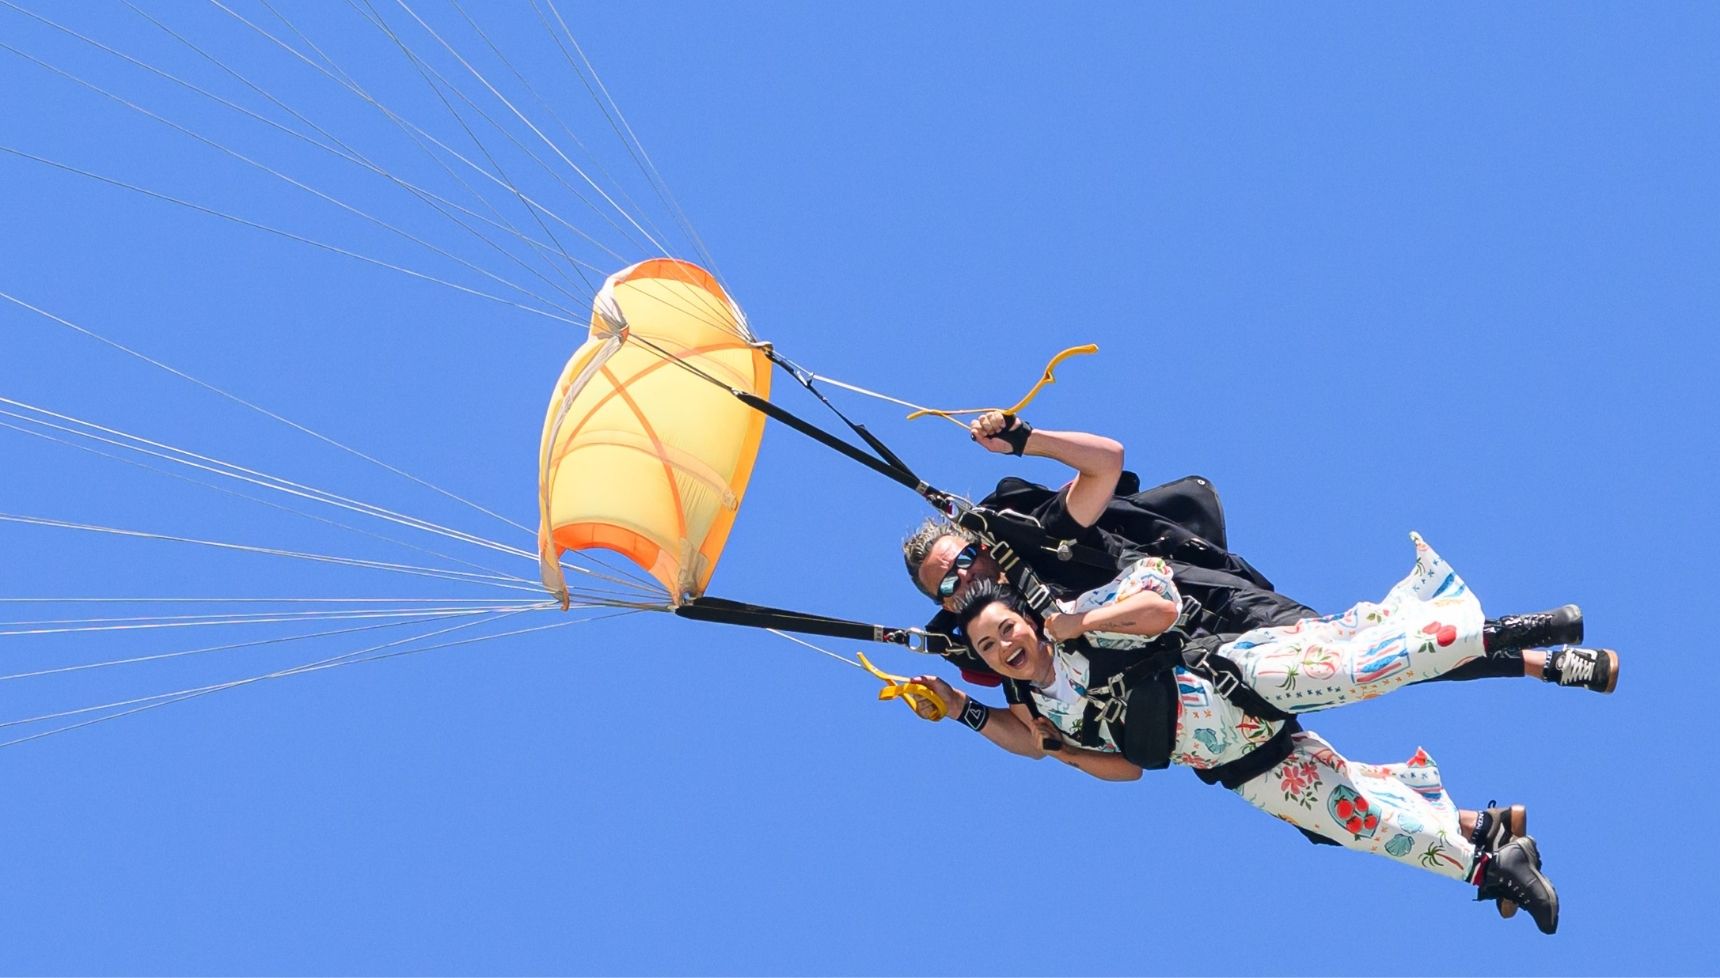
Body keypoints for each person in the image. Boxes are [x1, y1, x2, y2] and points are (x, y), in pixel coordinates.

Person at [908, 536, 1621, 934]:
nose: (1006, 647)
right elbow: (1113, 768)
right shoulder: (1039, 708)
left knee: (1364, 663)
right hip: (1238, 757)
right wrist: (967, 713)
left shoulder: (1068, 615)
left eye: (1008, 629)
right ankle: (1496, 864)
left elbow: (1158, 604)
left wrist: (1078, 623)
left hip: (1240, 677)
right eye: (990, 645)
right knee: (1358, 822)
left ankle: (1508, 634)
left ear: (1024, 618)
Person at [901, 411, 1320, 689]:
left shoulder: (1044, 543)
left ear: (984, 547)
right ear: (949, 606)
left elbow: (1106, 464)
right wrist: (958, 709)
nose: (966, 577)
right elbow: (1035, 737)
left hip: (1217, 611)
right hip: (1203, 688)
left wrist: (1026, 440)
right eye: (950, 584)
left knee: (1338, 654)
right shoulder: (1011, 646)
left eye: (964, 560)